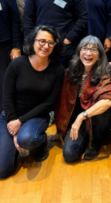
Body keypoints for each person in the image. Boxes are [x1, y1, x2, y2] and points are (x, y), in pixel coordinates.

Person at [0, 25, 64, 178]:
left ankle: (40, 144)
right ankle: (15, 145)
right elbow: (7, 97)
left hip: (37, 116)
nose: (46, 46)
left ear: (55, 46)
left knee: (27, 139)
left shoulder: (58, 69)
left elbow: (49, 103)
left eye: (51, 43)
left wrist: (20, 122)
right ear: (33, 41)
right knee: (3, 171)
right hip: (10, 116)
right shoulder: (17, 64)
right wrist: (13, 124)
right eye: (42, 41)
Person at [51, 36, 111, 162]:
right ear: (79, 52)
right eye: (84, 48)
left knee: (98, 109)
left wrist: (81, 116)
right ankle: (86, 136)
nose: (88, 53)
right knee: (70, 155)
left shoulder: (104, 74)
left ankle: (96, 140)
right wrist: (61, 129)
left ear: (100, 55)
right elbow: (61, 102)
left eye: (93, 50)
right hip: (78, 123)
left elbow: (107, 101)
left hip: (94, 120)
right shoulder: (69, 73)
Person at [0, 0, 22, 113]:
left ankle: (4, 120)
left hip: (4, 46)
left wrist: (16, 46)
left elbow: (15, 19)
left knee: (4, 87)